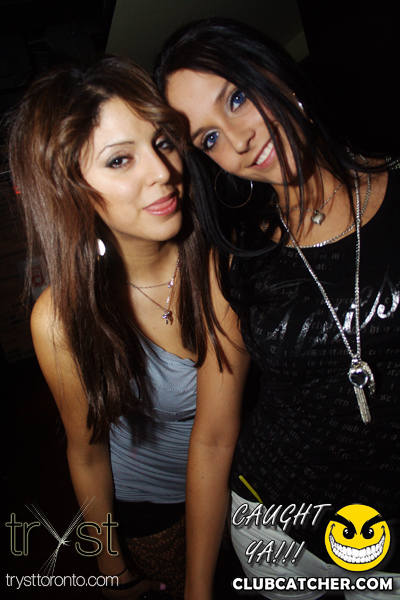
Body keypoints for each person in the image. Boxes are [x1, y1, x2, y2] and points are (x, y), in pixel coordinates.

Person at [155, 17, 400, 600]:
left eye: (237, 98)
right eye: (208, 139)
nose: (237, 141)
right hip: (276, 526)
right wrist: (197, 590)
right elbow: (214, 435)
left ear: (276, 74)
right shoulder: (235, 258)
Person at [7, 54, 249, 600]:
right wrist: (111, 569)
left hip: (239, 488)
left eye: (163, 143)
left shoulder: (221, 264)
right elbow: (87, 453)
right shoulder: (61, 319)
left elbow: (215, 436)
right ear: (71, 189)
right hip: (151, 512)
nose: (162, 172)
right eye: (119, 160)